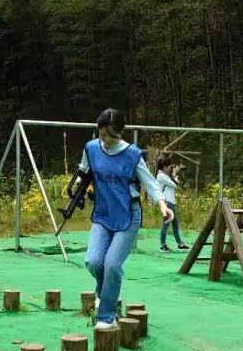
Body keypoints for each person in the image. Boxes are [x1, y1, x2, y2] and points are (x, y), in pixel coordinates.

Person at [80, 109, 173, 329]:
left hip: (128, 216)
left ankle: (107, 317)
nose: (105, 140)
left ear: (121, 133)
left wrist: (163, 205)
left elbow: (150, 183)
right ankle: (103, 293)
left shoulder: (132, 155)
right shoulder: (91, 148)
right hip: (102, 215)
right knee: (93, 261)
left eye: (110, 136)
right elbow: (83, 172)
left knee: (112, 265)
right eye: (102, 134)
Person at [155, 156, 188, 252]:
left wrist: (173, 174)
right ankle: (162, 245)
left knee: (174, 223)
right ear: (165, 167)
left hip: (170, 201)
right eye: (170, 166)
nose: (171, 168)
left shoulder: (165, 175)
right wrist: (174, 174)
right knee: (166, 223)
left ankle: (180, 244)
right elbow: (175, 184)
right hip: (166, 202)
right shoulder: (161, 176)